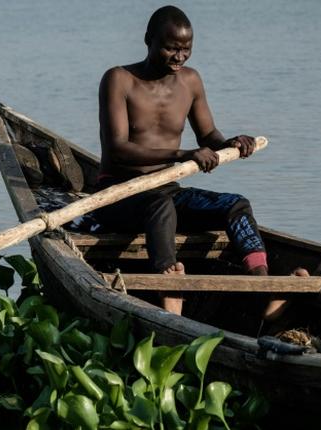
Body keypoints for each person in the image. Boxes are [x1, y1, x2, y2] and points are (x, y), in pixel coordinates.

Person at [95, 5, 294, 318]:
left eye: (185, 49)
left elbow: (208, 135)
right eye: (170, 48)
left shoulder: (190, 81)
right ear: (148, 40)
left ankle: (262, 284)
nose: (179, 57)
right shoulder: (119, 80)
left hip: (166, 191)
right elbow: (118, 149)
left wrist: (230, 143)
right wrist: (182, 154)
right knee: (159, 206)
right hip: (119, 195)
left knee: (236, 204)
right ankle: (169, 286)